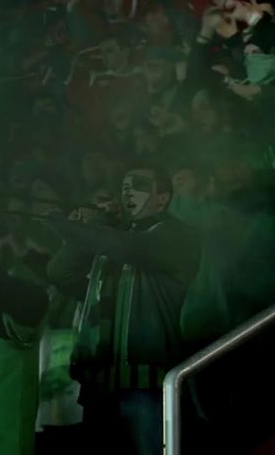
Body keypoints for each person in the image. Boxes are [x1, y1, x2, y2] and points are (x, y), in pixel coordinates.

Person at [45, 165, 198, 455]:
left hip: (147, 386)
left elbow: (129, 247)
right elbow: (59, 271)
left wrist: (84, 228)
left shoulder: (176, 234)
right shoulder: (114, 239)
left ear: (162, 198)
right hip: (101, 388)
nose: (127, 190)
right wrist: (93, 226)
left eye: (139, 184)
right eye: (125, 185)